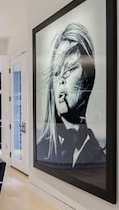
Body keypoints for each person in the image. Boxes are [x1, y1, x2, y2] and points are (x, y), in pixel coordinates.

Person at [36, 22, 105, 168]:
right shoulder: (40, 150)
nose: (60, 80)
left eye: (68, 70)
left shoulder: (100, 159)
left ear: (87, 77)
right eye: (56, 73)